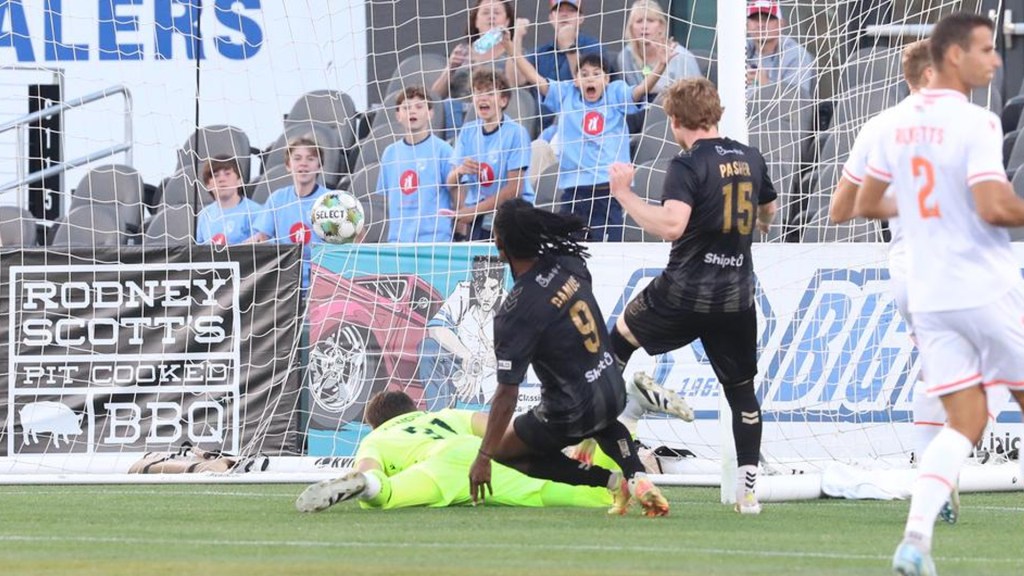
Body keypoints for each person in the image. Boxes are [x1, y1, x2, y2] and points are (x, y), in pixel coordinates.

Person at [854, 13, 1024, 576]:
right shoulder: (977, 121)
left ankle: (915, 541)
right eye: (983, 50)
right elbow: (997, 208)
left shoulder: (893, 124)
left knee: (966, 421)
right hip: (984, 285)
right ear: (952, 57)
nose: (994, 60)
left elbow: (865, 202)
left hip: (930, 293)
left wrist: (933, 210)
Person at [607, 77, 777, 515]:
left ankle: (608, 428)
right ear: (715, 112)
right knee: (742, 392)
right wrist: (753, 224)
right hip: (736, 297)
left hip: (683, 293)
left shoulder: (686, 164)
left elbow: (671, 226)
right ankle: (748, 494)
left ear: (676, 120)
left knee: (615, 345)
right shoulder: (751, 157)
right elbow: (768, 210)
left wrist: (625, 194)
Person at [468, 198, 670, 517]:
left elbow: (507, 393)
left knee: (505, 450)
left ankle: (613, 481)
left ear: (499, 245)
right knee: (601, 417)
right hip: (613, 387)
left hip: (571, 412)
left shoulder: (514, 312)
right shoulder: (568, 262)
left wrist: (483, 457)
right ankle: (637, 474)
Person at [830, 40, 962, 526]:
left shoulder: (878, 126)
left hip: (907, 268)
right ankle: (937, 476)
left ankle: (934, 477)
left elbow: (839, 211)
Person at [295, 390, 612, 512]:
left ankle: (366, 490)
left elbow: (367, 465)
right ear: (414, 408)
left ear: (376, 425)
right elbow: (501, 428)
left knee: (383, 493)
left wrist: (367, 476)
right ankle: (628, 414)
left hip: (434, 468)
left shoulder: (376, 439)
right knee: (581, 494)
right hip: (477, 455)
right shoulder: (444, 415)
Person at [510, 19, 673, 241]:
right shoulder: (566, 94)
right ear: (576, 80)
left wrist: (661, 66)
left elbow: (639, 91)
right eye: (584, 74)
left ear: (606, 79)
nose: (590, 78)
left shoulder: (615, 94)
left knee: (609, 250)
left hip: (609, 189)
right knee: (570, 250)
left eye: (596, 73)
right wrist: (515, 45)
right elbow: (533, 76)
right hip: (575, 190)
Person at [447, 69, 535, 241]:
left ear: (503, 100)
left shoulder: (516, 133)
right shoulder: (468, 131)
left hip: (511, 216)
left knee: (503, 266)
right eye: (478, 93)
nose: (482, 98)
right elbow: (450, 182)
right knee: (481, 267)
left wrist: (474, 211)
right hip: (480, 217)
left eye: (489, 93)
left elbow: (514, 189)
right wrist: (460, 171)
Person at [419, 255, 506, 410]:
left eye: (492, 288)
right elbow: (436, 328)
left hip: (496, 381)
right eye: (481, 288)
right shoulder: (463, 292)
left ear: (500, 285)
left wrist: (498, 354)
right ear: (474, 284)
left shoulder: (509, 304)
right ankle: (440, 418)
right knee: (428, 347)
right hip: (461, 374)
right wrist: (467, 357)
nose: (486, 296)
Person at [515, 0, 614, 130]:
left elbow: (587, 86)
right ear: (551, 18)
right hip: (542, 128)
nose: (564, 15)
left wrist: (569, 47)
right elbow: (516, 80)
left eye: (571, 11)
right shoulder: (541, 52)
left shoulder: (593, 47)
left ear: (581, 18)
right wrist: (516, 38)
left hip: (581, 125)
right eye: (559, 11)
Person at [248, 135, 332, 289]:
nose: (304, 163)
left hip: (322, 282)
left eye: (311, 158)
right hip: (284, 283)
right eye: (297, 158)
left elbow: (355, 239)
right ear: (288, 165)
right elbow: (260, 238)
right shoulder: (278, 199)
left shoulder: (331, 201)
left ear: (319, 166)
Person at [375, 86, 457, 243]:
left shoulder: (443, 150)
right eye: (406, 107)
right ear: (398, 115)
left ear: (430, 113)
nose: (412, 111)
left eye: (419, 107)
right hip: (398, 241)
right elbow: (388, 198)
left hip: (434, 240)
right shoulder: (389, 153)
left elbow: (456, 193)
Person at [431, 0, 519, 137]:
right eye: (485, 13)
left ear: (507, 21)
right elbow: (434, 98)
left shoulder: (514, 54)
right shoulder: (462, 52)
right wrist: (450, 68)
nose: (491, 17)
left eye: (496, 12)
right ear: (476, 21)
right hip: (455, 120)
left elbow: (515, 86)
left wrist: (514, 42)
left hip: (493, 115)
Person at [618, 0, 701, 98]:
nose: (644, 26)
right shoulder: (626, 56)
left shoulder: (680, 56)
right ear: (631, 28)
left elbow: (696, 96)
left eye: (650, 20)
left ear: (661, 26)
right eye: (639, 21)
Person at [745, 0, 816, 97]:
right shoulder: (738, 51)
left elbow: (795, 104)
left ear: (781, 24)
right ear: (747, 24)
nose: (760, 24)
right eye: (755, 19)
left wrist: (766, 85)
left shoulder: (796, 56)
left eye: (768, 18)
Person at [195, 155, 262, 245]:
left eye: (227, 174)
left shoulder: (255, 212)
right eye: (215, 176)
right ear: (208, 185)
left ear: (239, 181)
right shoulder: (204, 215)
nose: (222, 179)